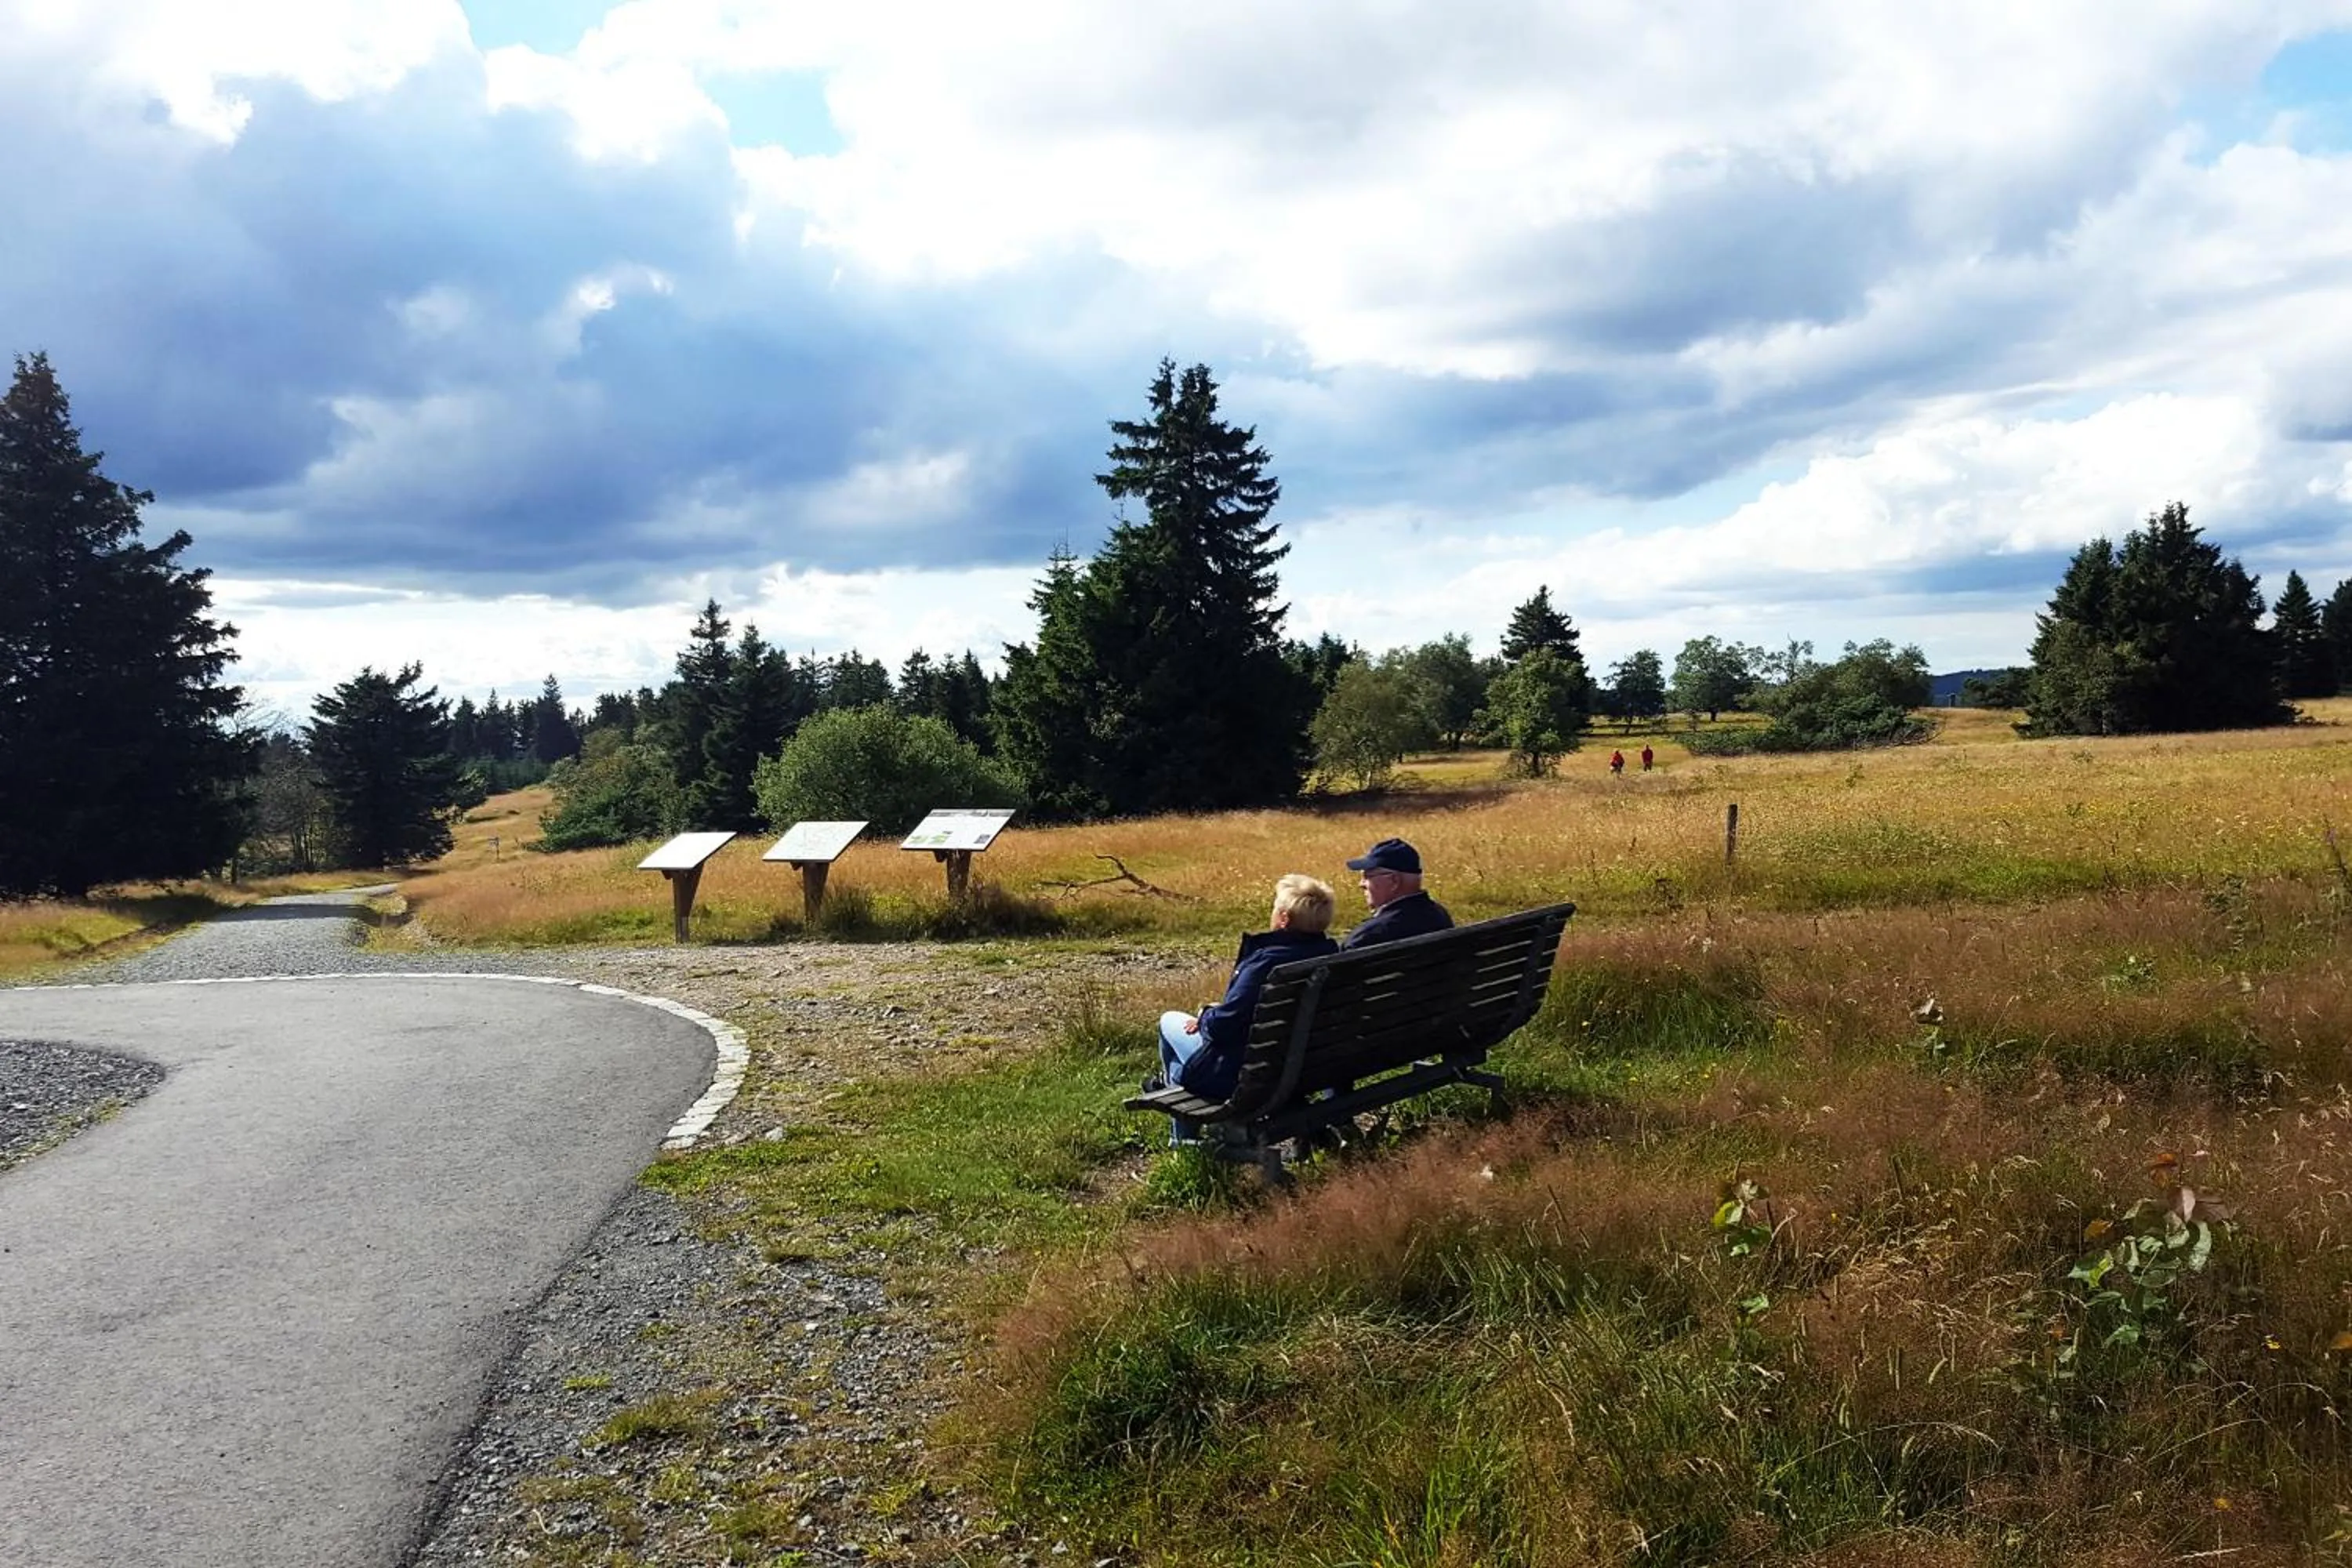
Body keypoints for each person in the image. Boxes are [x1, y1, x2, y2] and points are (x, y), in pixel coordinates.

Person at [1155, 875, 1340, 1133]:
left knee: (1168, 1022)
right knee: (1179, 1066)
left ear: (1284, 918)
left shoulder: (1268, 964)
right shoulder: (1333, 955)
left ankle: (1181, 1128)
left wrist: (1206, 1015)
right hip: (1306, 1068)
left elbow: (1223, 1027)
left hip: (1250, 1075)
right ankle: (1173, 1093)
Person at [1341, 837, 1454, 949]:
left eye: (1367, 877)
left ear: (1394, 881)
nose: (1361, 884)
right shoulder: (1439, 916)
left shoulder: (1366, 938)